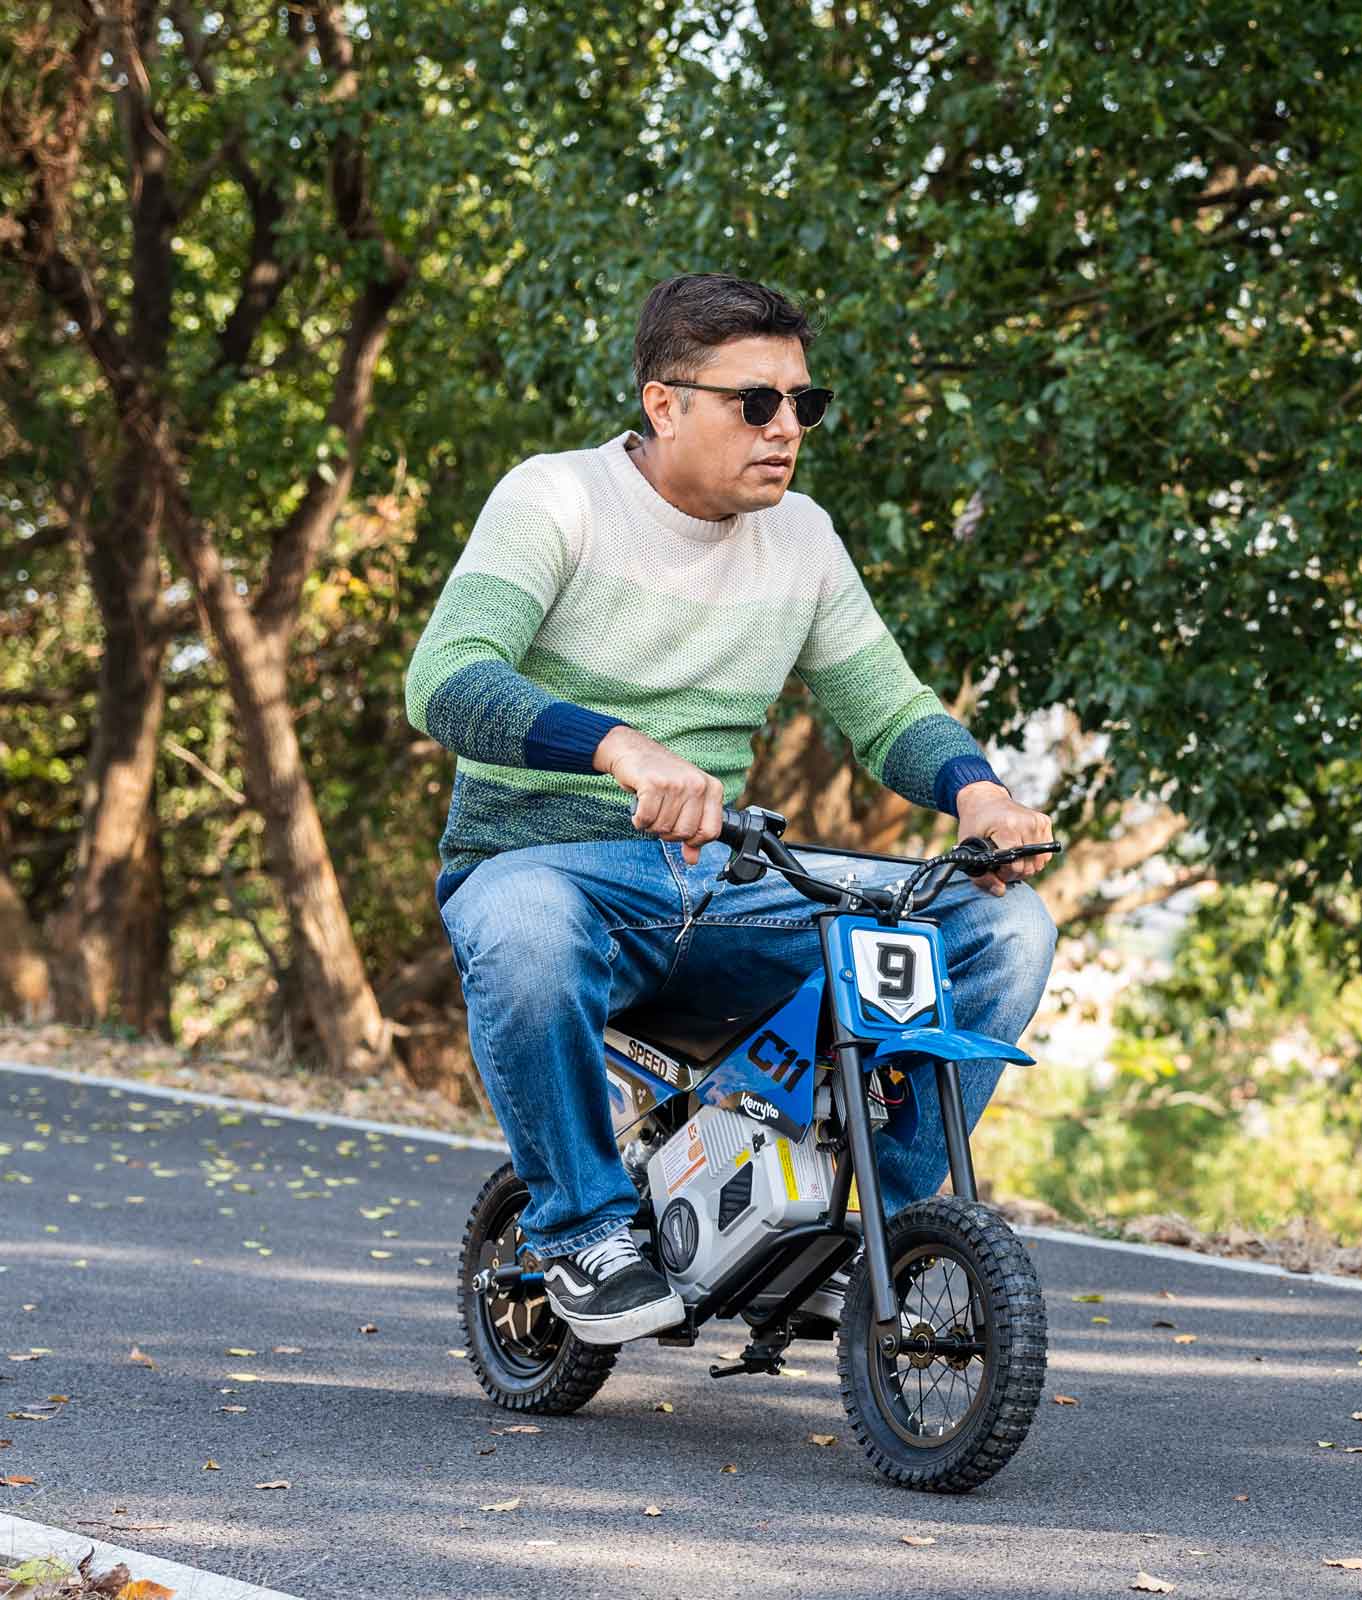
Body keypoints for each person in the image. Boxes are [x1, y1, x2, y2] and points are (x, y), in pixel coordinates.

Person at [406, 273, 1058, 1345]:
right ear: (663, 404)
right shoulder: (557, 497)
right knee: (522, 926)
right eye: (755, 402)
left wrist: (976, 791)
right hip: (549, 871)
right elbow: (446, 678)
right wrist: (616, 746)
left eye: (804, 402)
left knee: (1002, 926)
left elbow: (889, 710)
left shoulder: (802, 537)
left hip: (727, 884)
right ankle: (582, 1229)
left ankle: (868, 1233)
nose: (786, 427)